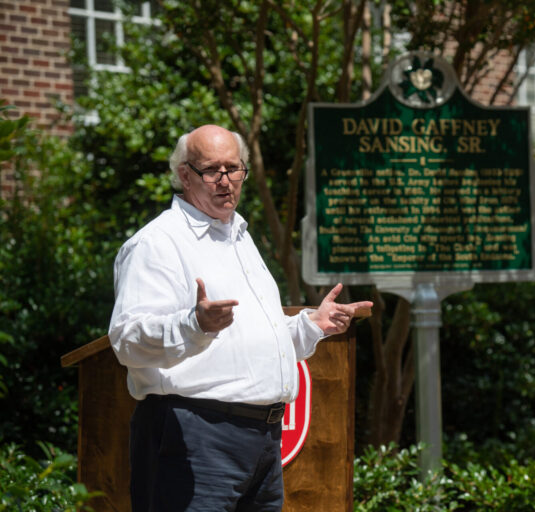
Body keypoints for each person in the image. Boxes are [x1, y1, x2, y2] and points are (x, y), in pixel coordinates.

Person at [108, 124, 372, 511]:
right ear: (184, 174)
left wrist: (310, 325)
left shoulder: (239, 236)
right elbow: (128, 341)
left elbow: (249, 336)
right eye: (212, 170)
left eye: (234, 168)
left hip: (263, 438)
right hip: (194, 434)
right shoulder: (157, 243)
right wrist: (192, 324)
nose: (226, 181)